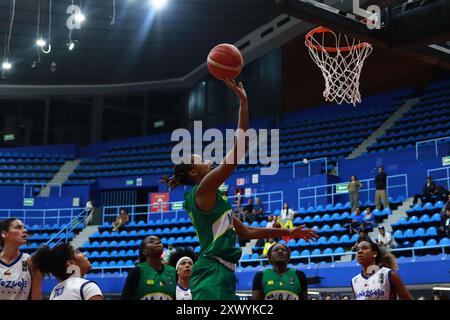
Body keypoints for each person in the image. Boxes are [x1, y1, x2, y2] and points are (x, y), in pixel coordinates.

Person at [160, 79, 318, 300]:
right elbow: (236, 152)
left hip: (222, 271)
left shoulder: (214, 201)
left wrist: (287, 233)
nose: (207, 161)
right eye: (202, 160)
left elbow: (247, 232)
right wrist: (243, 103)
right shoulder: (202, 189)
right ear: (194, 173)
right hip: (211, 271)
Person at [31, 243, 103, 300]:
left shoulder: (55, 291)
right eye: (78, 252)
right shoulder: (87, 287)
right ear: (70, 263)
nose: (84, 254)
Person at [121, 236, 177, 300]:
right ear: (144, 251)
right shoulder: (137, 271)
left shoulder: (173, 272)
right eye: (151, 241)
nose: (157, 242)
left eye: (159, 241)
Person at [0, 218, 42, 300]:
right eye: (18, 227)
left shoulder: (30, 262)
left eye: (24, 227)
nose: (25, 230)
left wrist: (38, 277)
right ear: (4, 234)